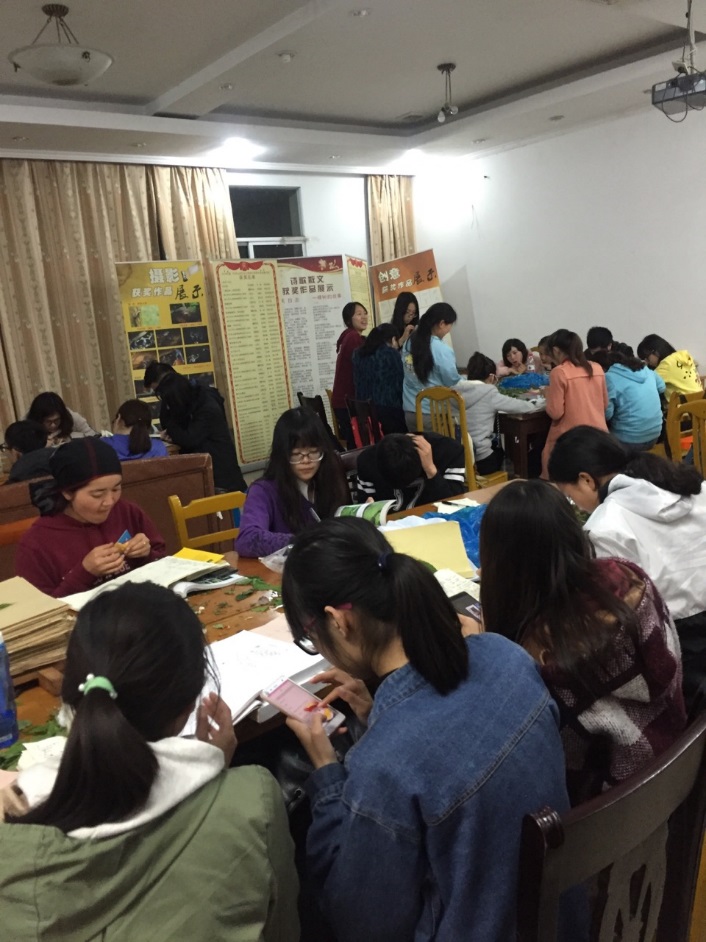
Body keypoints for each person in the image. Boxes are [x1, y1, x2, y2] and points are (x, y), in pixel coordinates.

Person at [280, 516, 571, 942]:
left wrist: (327, 773)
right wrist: (379, 717)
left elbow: (360, 924)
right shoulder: (507, 655)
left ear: (339, 622)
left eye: (311, 637)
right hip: (561, 917)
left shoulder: (383, 765)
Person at [0, 583, 299, 941]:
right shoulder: (254, 801)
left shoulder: (15, 842)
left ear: (71, 697)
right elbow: (282, 929)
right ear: (190, 702)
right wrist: (216, 773)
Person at [479, 479, 686, 804]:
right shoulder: (630, 578)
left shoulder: (544, 664)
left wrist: (484, 647)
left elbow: (537, 764)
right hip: (670, 764)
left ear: (499, 567)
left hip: (605, 814)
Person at [549, 426, 706, 712]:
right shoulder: (689, 486)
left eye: (570, 496)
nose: (577, 507)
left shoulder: (605, 527)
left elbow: (617, 621)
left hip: (685, 650)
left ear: (586, 480)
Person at [15, 437, 166, 598]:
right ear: (67, 492)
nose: (109, 502)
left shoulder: (127, 511)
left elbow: (163, 562)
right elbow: (41, 609)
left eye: (116, 489)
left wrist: (145, 554)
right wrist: (85, 573)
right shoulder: (37, 543)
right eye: (97, 494)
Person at [234, 408, 349, 558]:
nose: (306, 461)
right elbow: (247, 539)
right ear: (282, 455)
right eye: (296, 454)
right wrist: (302, 541)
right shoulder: (263, 490)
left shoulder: (328, 479)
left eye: (313, 452)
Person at [157, 373, 246, 492]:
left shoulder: (206, 407)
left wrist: (172, 427)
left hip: (222, 476)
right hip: (209, 471)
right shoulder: (192, 403)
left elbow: (189, 439)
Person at [457, 352, 543, 475]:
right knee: (499, 452)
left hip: (458, 457)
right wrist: (537, 404)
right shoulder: (489, 393)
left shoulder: (454, 392)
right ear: (491, 377)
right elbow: (518, 406)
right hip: (480, 458)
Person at [541, 328, 608, 478]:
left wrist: (548, 395)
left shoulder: (559, 372)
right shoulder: (596, 368)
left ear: (556, 350)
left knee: (547, 453)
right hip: (599, 435)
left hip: (571, 439)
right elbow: (604, 405)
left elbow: (555, 413)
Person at [356, 431, 465, 509]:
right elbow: (363, 507)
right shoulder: (368, 461)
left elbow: (455, 506)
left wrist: (431, 470)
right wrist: (365, 509)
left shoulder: (449, 451)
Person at [402, 302, 462, 431]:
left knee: (417, 445)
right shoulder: (441, 349)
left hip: (410, 411)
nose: (449, 330)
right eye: (450, 325)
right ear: (442, 324)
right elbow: (452, 381)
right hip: (433, 415)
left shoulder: (409, 342)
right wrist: (472, 381)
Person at [590, 346, 665, 449]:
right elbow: (662, 387)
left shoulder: (609, 377)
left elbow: (607, 414)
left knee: (597, 439)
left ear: (602, 369)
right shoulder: (645, 369)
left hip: (629, 440)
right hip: (655, 434)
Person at [352, 323, 406, 434]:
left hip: (364, 414)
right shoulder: (391, 354)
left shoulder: (357, 354)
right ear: (393, 339)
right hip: (389, 413)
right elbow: (400, 384)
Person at [331, 301, 369, 448]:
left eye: (365, 313)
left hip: (342, 401)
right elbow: (364, 367)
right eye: (359, 314)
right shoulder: (353, 337)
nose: (364, 317)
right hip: (347, 403)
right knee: (359, 445)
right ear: (349, 319)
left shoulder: (347, 336)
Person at [636, 334, 703, 400]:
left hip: (686, 405)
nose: (647, 362)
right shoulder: (681, 356)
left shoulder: (666, 365)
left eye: (647, 358)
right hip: (701, 401)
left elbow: (645, 384)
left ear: (656, 351)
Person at [26, 391, 96, 445]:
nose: (53, 425)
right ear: (39, 420)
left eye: (56, 420)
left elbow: (93, 436)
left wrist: (70, 438)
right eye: (48, 422)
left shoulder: (72, 417)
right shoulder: (28, 425)